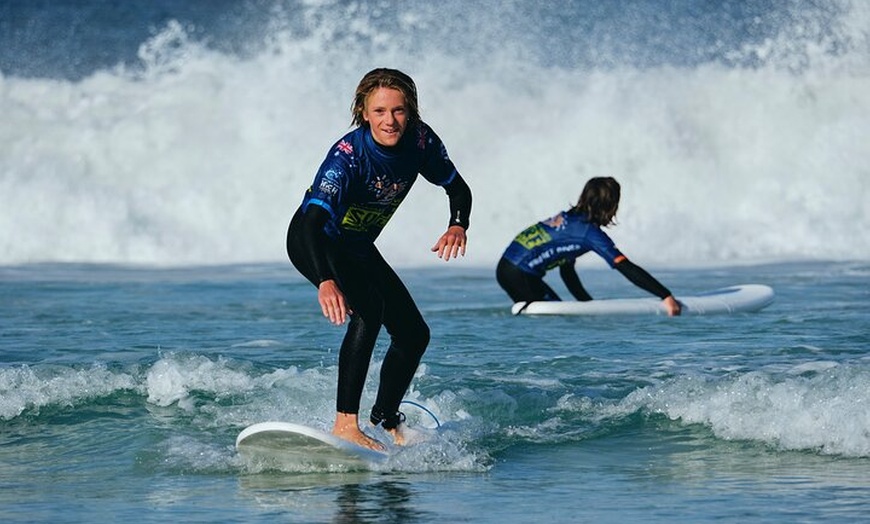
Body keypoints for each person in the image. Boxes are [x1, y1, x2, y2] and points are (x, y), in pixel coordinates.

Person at [286, 68, 472, 450]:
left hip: (356, 246)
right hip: (317, 242)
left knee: (414, 334)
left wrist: (457, 225)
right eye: (380, 111)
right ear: (364, 112)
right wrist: (325, 280)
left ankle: (386, 419)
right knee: (369, 311)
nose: (390, 121)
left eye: (400, 111)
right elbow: (310, 225)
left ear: (412, 112)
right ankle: (345, 425)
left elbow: (458, 188)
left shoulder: (421, 142)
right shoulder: (347, 157)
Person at [496, 176, 680, 316]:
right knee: (551, 319)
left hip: (510, 269)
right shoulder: (588, 233)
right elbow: (624, 266)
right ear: (610, 205)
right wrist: (665, 295)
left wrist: (587, 305)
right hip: (518, 274)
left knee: (553, 318)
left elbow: (567, 272)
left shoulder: (571, 221)